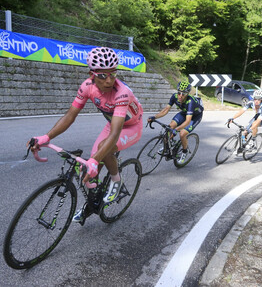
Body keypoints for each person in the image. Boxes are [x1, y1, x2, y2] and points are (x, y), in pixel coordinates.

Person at [28, 47, 143, 224]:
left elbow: (115, 134)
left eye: (113, 73)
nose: (109, 80)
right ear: (92, 74)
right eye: (103, 76)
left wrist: (96, 160)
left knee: (102, 150)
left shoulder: (122, 93)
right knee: (89, 168)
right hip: (112, 123)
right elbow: (70, 116)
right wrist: (47, 137)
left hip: (131, 127)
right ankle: (92, 204)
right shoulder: (87, 87)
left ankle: (116, 181)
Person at [148, 81, 203, 164]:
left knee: (182, 134)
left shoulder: (190, 102)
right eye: (179, 93)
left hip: (194, 117)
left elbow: (188, 121)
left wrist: (176, 130)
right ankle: (167, 146)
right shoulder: (174, 96)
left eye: (183, 94)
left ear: (187, 94)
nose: (180, 96)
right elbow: (166, 110)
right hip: (184, 113)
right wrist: (154, 117)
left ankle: (185, 152)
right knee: (169, 128)